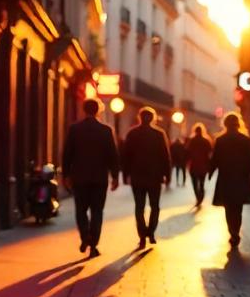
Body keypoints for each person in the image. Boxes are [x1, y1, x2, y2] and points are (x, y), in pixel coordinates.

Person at [61, 98, 120, 257]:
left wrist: (65, 174)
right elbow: (112, 155)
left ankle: (85, 236)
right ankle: (93, 244)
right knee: (97, 211)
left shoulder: (74, 129)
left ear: (84, 110)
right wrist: (115, 176)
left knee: (81, 210)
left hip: (79, 177)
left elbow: (67, 154)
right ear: (99, 110)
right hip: (99, 178)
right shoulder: (106, 130)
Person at [121, 107, 171, 248]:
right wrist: (167, 175)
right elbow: (165, 156)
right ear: (153, 118)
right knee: (155, 206)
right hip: (155, 176)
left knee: (139, 207)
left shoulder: (132, 134)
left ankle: (142, 235)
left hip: (137, 176)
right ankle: (151, 232)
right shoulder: (159, 134)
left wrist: (125, 175)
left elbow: (126, 157)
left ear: (140, 117)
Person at [211, 113, 250, 247]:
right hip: (241, 178)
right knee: (238, 209)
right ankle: (236, 232)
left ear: (225, 124)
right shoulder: (245, 139)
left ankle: (232, 232)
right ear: (238, 124)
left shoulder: (220, 140)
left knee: (228, 208)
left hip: (226, 178)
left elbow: (215, 159)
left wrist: (210, 172)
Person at [185, 123, 214, 207]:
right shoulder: (206, 141)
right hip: (203, 165)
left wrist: (186, 162)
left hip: (194, 165)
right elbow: (210, 153)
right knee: (201, 183)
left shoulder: (192, 141)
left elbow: (187, 153)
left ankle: (198, 197)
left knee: (194, 183)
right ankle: (201, 196)